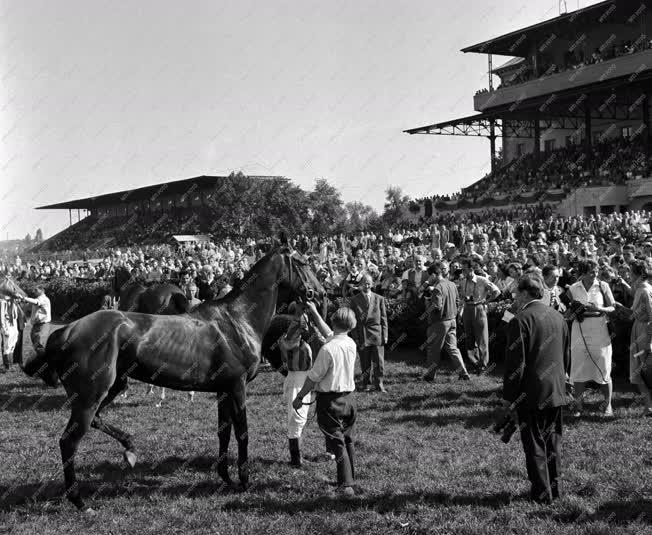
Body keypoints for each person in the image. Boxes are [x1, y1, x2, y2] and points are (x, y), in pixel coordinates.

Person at [503, 273, 570, 504]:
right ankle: (555, 489)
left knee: (534, 443)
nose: (515, 298)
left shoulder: (519, 320)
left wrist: (509, 397)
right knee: (553, 441)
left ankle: (542, 494)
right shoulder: (558, 317)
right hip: (556, 389)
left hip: (530, 392)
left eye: (516, 293)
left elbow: (515, 364)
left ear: (523, 293)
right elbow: (565, 355)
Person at [292, 307, 358, 497]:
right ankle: (350, 478)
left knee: (337, 442)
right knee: (348, 440)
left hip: (330, 402)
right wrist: (313, 311)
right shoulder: (350, 343)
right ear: (351, 325)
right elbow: (329, 333)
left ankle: (346, 486)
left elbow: (313, 377)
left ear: (334, 321)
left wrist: (299, 397)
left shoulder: (327, 349)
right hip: (349, 399)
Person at [567, 259, 615, 416]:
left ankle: (608, 405)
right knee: (578, 369)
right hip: (579, 330)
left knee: (604, 367)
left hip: (600, 331)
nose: (594, 274)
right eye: (590, 271)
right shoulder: (573, 288)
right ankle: (578, 405)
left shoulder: (603, 285)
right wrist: (574, 312)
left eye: (596, 270)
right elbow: (568, 312)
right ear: (582, 273)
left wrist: (599, 308)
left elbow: (613, 306)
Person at [422, 262, 470, 381]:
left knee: (433, 349)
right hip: (452, 320)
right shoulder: (452, 284)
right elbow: (458, 301)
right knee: (453, 348)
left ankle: (430, 375)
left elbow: (437, 306)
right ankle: (463, 373)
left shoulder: (438, 287)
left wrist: (428, 301)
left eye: (429, 276)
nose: (429, 279)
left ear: (434, 275)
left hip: (440, 322)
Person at [279, 319, 314, 467]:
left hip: (298, 379)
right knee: (296, 418)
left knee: (299, 418)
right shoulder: (300, 346)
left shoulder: (294, 345)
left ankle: (297, 456)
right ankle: (295, 459)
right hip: (298, 380)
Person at [459, 258, 501, 372]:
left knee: (482, 338)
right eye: (462, 270)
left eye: (465, 270)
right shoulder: (463, 282)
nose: (463, 272)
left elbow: (497, 291)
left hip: (479, 308)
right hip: (467, 308)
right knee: (469, 337)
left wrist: (486, 301)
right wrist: (460, 312)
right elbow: (463, 299)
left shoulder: (482, 280)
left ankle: (483, 365)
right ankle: (474, 362)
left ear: (471, 269)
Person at [349, 274, 388, 392]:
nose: (366, 285)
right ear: (360, 285)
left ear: (372, 284)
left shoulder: (379, 298)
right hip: (363, 334)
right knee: (365, 361)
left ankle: (379, 384)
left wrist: (385, 335)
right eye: (364, 283)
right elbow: (353, 320)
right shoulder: (354, 300)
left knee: (379, 361)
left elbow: (384, 318)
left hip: (376, 333)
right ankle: (366, 383)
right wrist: (355, 336)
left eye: (368, 283)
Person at [629, 256, 652, 416]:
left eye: (630, 272)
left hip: (644, 332)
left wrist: (648, 342)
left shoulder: (645, 290)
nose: (629, 275)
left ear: (637, 274)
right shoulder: (640, 288)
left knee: (643, 368)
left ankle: (648, 406)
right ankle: (648, 405)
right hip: (638, 328)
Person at [18, 286, 51, 357]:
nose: (34, 291)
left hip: (42, 325)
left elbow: (36, 302)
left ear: (41, 291)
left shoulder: (44, 299)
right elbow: (30, 306)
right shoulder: (38, 299)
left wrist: (23, 298)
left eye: (36, 290)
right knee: (36, 345)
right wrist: (22, 301)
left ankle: (43, 363)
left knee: (39, 345)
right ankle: (40, 360)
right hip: (36, 325)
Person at [0, 295, 20, 371]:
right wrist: (5, 329)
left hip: (14, 324)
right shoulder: (3, 302)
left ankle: (11, 365)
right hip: (7, 325)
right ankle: (7, 366)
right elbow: (1, 317)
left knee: (13, 345)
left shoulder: (14, 301)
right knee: (7, 346)